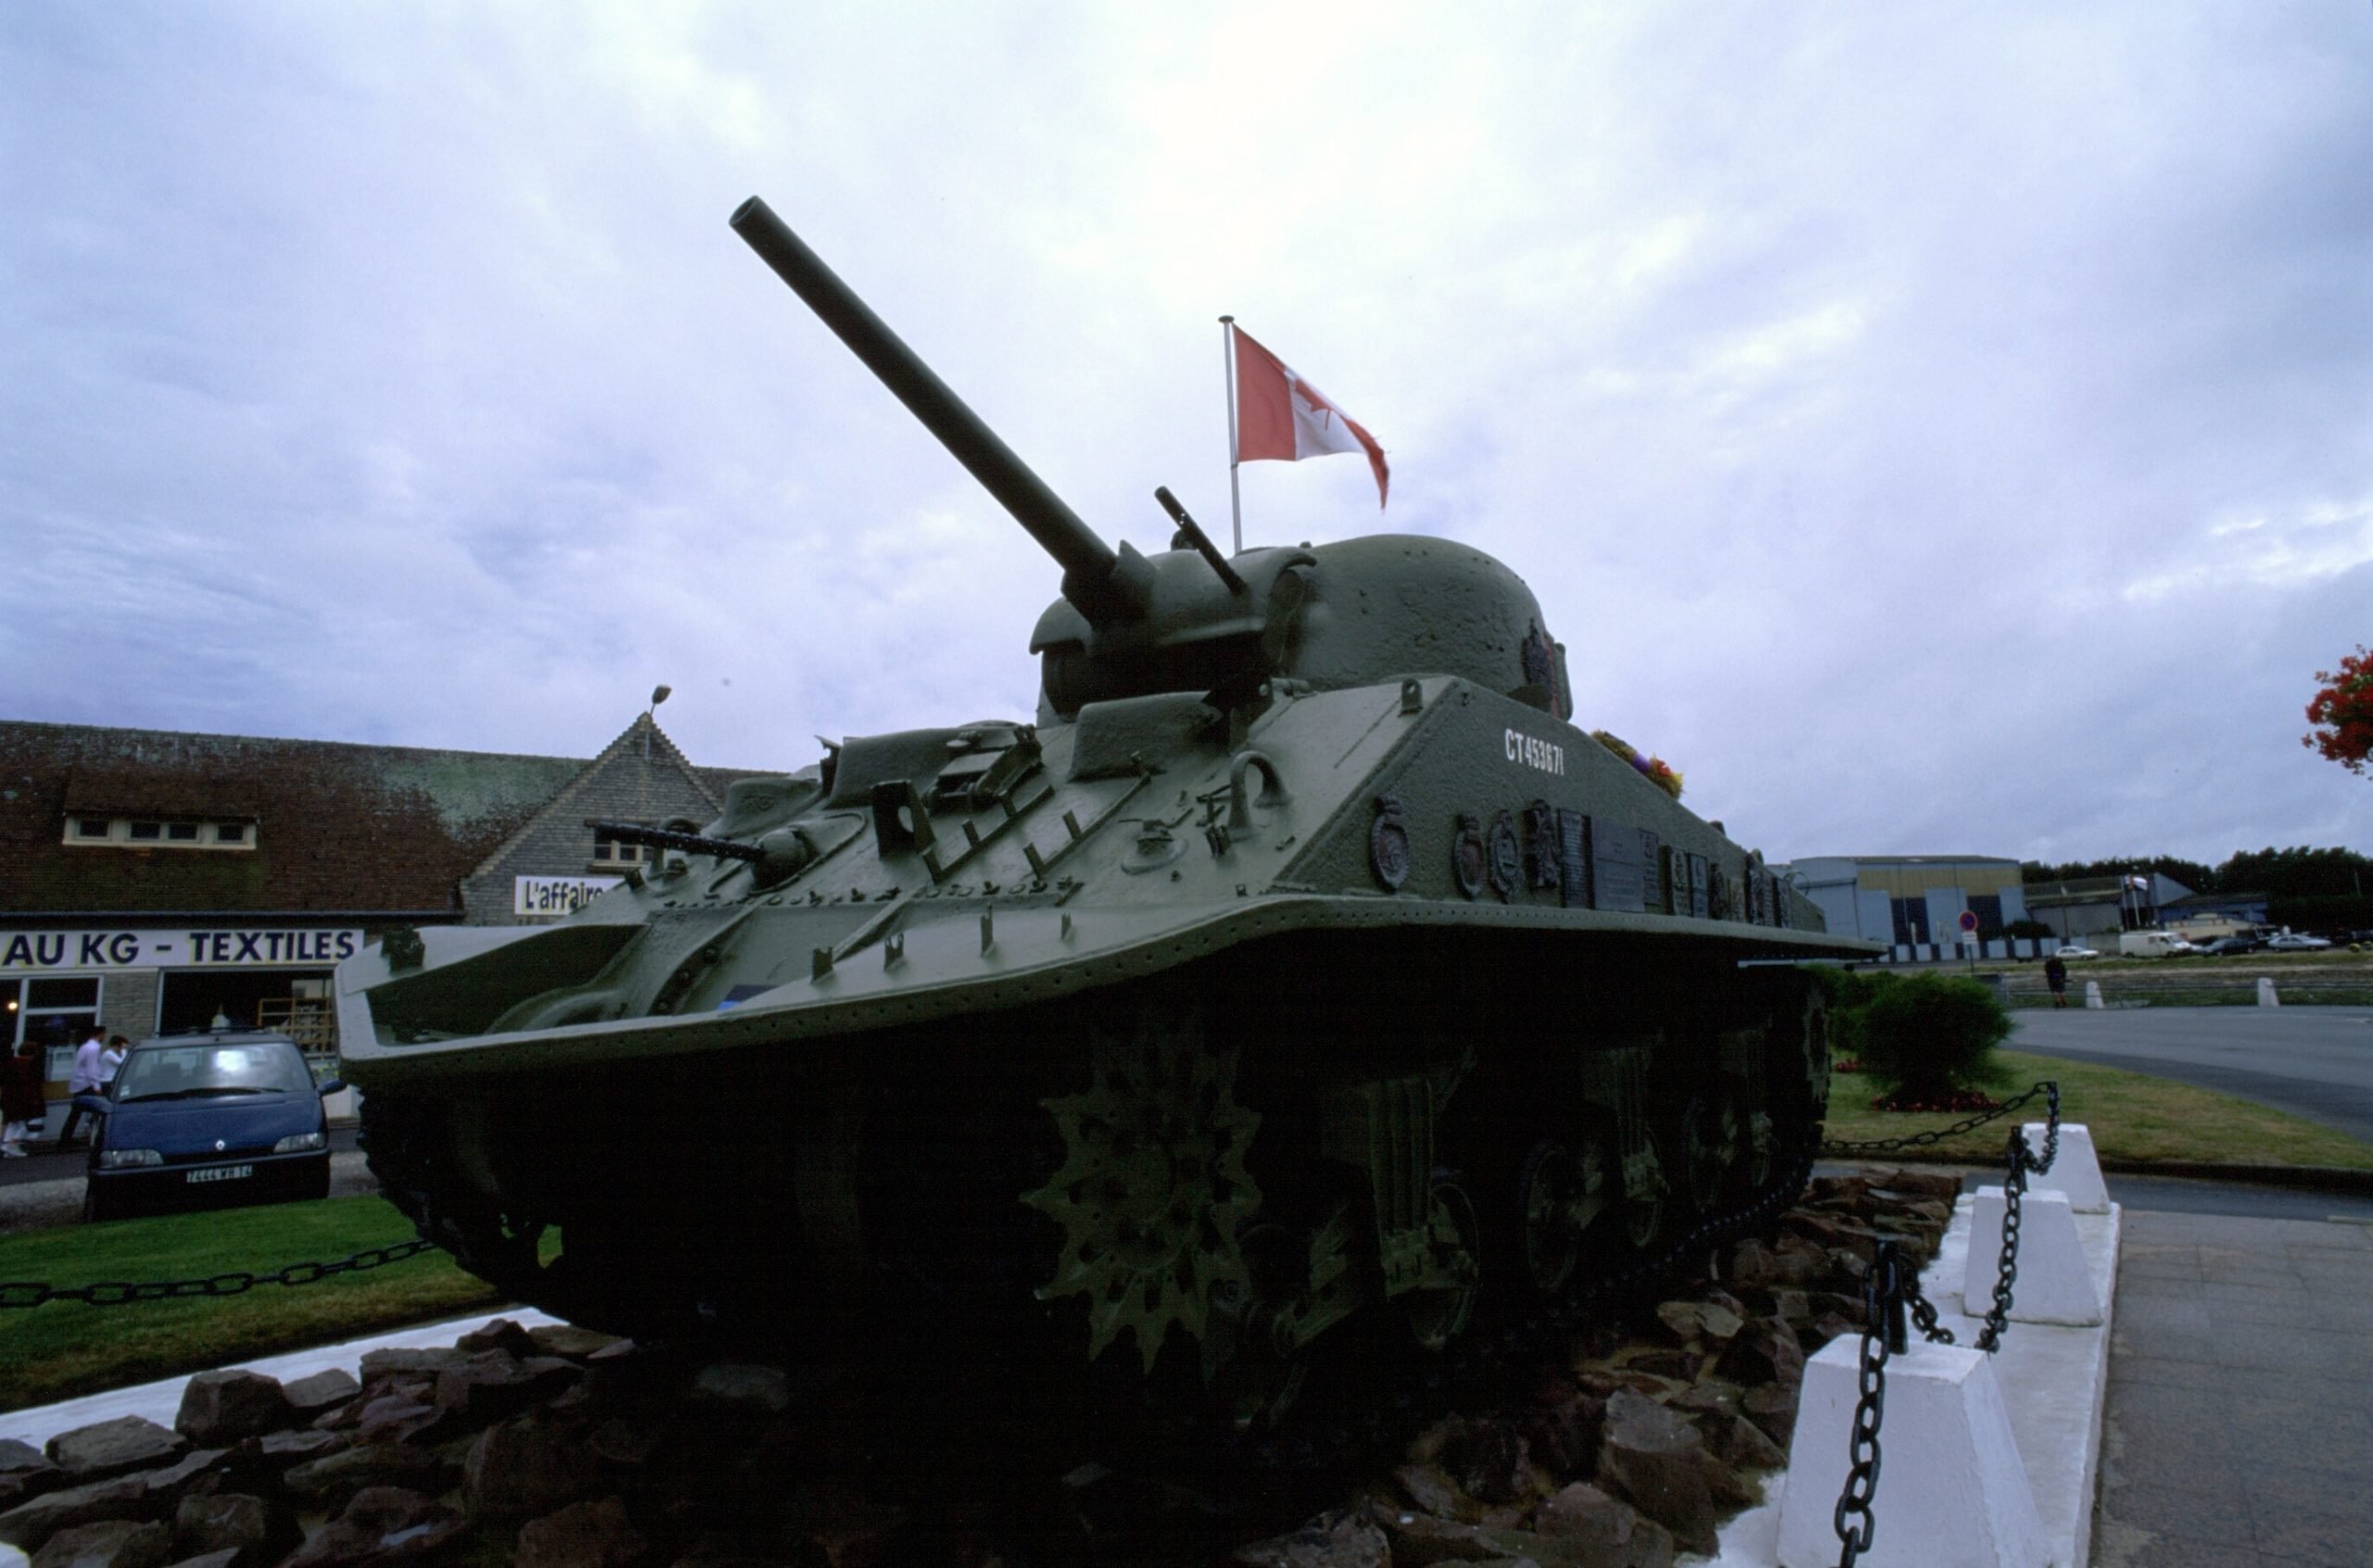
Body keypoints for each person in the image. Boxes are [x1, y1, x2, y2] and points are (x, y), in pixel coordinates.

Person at [57, 1028, 106, 1145]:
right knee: (100, 1110)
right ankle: (96, 1137)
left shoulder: (84, 1047)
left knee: (76, 1113)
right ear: (100, 1034)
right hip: (87, 1084)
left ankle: (65, 1138)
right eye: (104, 1034)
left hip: (79, 1083)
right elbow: (92, 1069)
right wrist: (97, 1086)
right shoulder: (94, 1049)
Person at [2, 1041, 45, 1156]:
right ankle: (13, 1143)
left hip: (10, 1098)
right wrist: (35, 1099)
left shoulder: (10, 1064)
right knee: (32, 1123)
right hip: (25, 1099)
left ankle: (8, 1146)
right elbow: (31, 1084)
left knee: (14, 1123)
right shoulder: (30, 1066)